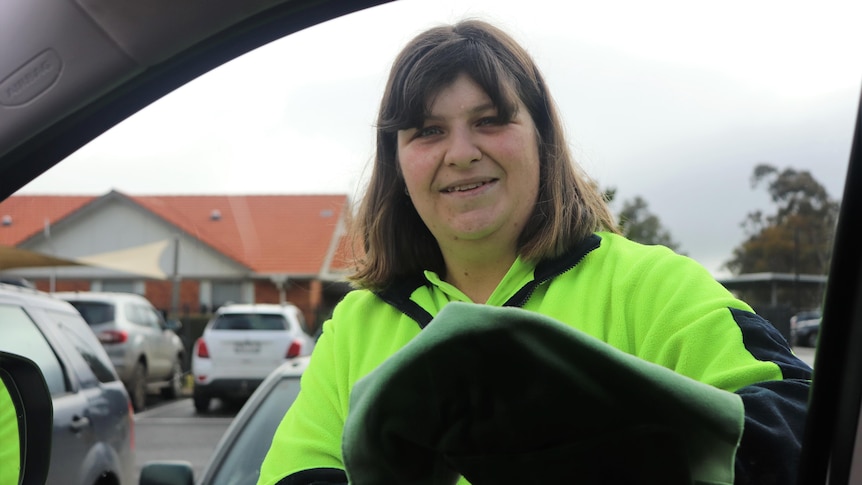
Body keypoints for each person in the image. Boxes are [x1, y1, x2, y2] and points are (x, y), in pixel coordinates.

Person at [258, 19, 811, 485]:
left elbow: (800, 423)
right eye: (427, 131)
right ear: (397, 164)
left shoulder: (652, 286)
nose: (460, 153)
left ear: (542, 138)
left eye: (490, 121)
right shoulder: (354, 326)